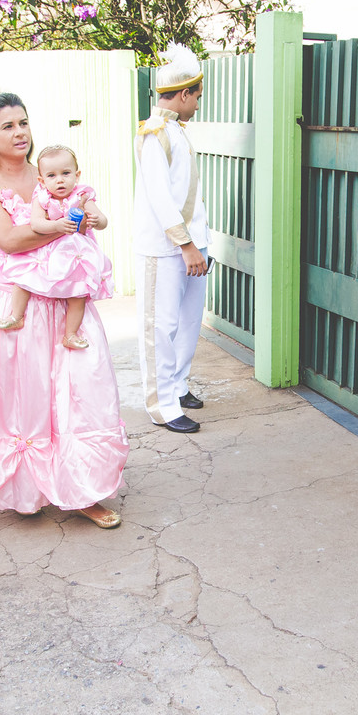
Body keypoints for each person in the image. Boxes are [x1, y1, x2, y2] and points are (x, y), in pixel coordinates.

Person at [0, 92, 128, 528]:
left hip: (64, 300)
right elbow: (10, 240)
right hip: (14, 305)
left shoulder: (51, 176)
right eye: (8, 126)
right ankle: (27, 488)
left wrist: (76, 222)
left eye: (23, 123)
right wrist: (65, 228)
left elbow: (89, 215)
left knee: (78, 394)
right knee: (24, 402)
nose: (20, 133)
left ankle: (81, 490)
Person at [133, 43, 211, 435]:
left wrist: (199, 243)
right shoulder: (155, 134)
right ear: (183, 94)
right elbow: (160, 196)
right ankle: (161, 405)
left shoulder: (176, 131)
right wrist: (186, 244)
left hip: (192, 246)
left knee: (188, 322)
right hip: (167, 249)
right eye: (196, 95)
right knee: (159, 328)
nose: (198, 102)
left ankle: (177, 387)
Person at [0, 144, 115, 351]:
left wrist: (98, 220)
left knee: (78, 293)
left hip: (74, 251)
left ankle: (70, 334)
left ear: (76, 175)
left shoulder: (81, 196)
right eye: (51, 175)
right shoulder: (42, 197)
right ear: (42, 180)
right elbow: (36, 223)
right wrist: (57, 225)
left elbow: (103, 221)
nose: (60, 180)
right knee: (25, 276)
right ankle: (16, 315)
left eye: (66, 173)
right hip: (48, 246)